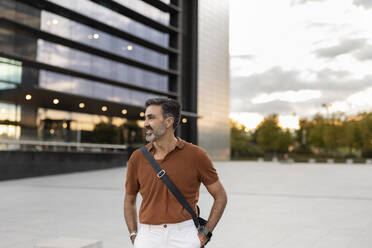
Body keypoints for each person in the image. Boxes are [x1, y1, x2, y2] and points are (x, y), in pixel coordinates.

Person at [124, 98, 228, 248]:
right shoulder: (137, 157)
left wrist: (206, 233)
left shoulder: (196, 155)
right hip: (148, 235)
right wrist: (134, 235)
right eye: (145, 118)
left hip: (184, 235)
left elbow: (220, 196)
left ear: (168, 122)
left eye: (151, 117)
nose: (145, 123)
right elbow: (129, 199)